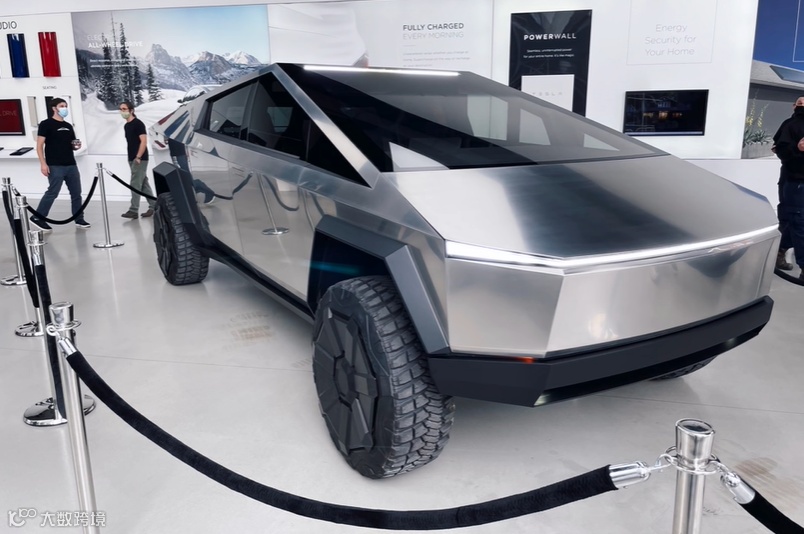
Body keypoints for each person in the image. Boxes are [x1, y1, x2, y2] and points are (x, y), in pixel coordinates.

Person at [31, 98, 91, 231]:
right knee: (53, 192)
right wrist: (43, 164)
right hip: (54, 165)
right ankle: (38, 217)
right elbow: (39, 146)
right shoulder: (46, 124)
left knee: (76, 193)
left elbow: (72, 145)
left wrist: (76, 146)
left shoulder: (68, 126)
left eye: (65, 106)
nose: (64, 108)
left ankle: (79, 219)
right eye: (62, 106)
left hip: (71, 164)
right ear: (54, 108)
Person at [773, 96, 804, 280]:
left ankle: (779, 250)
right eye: (800, 103)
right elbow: (782, 150)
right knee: (798, 222)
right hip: (795, 182)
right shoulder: (790, 125)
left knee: (794, 222)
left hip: (794, 182)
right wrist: (797, 149)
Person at [119, 101, 156, 219]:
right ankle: (154, 206)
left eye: (124, 109)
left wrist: (138, 157)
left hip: (139, 158)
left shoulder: (138, 124)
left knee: (135, 184)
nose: (122, 111)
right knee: (143, 183)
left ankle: (133, 210)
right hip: (132, 158)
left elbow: (143, 141)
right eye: (121, 109)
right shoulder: (127, 126)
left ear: (131, 110)